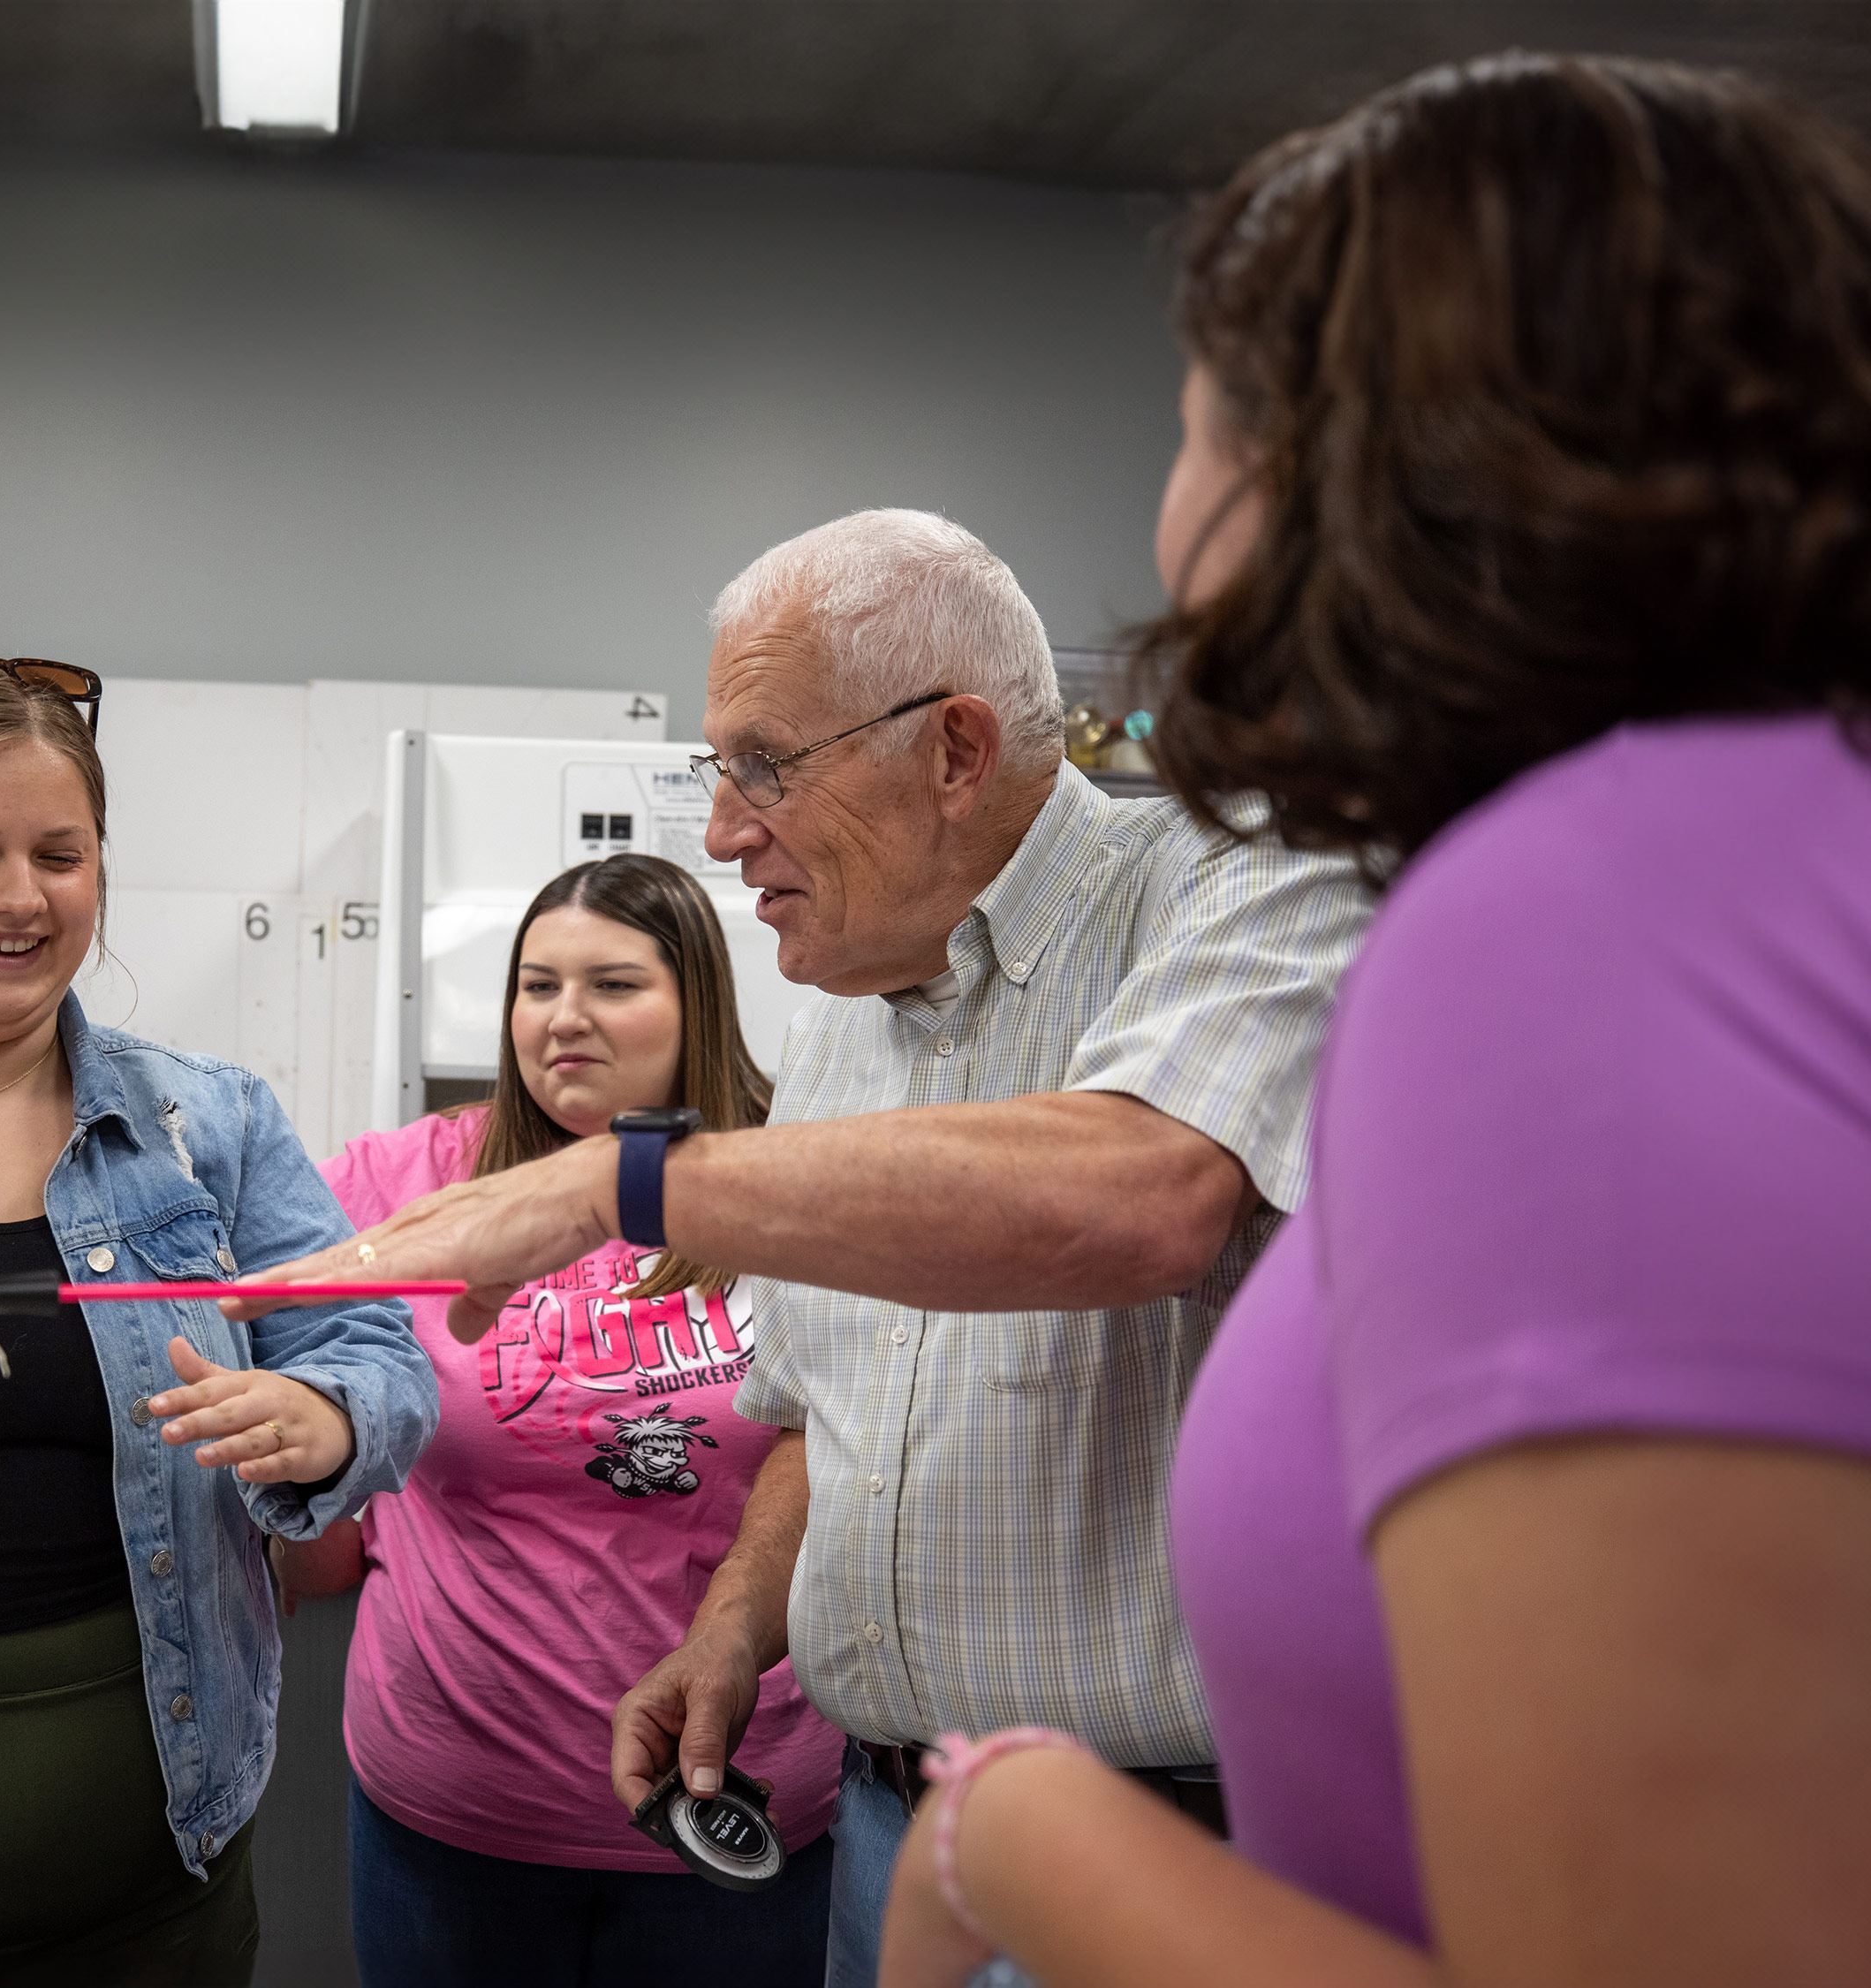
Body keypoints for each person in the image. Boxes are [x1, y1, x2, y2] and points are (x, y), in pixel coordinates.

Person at [871, 53, 1871, 1988]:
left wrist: (1020, 1833)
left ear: (1325, 474)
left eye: (1190, 426)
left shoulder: (1579, 927)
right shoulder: (1770, 856)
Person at [230, 512, 1373, 1988]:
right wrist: (733, 1628)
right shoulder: (846, 1021)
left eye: (765, 765)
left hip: (1163, 1847)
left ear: (954, 749)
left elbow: (1142, 1194)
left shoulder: (1241, 882)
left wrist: (625, 1184)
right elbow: (828, 1421)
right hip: (888, 1827)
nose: (721, 830)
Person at [0, 643, 437, 1987]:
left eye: (61, 854)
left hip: (159, 1884)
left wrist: (325, 1417)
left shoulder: (206, 1122)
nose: (18, 895)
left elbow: (375, 1352)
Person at [272, 853, 841, 1988]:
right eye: (537, 986)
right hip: (452, 1808)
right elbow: (286, 1379)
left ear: (696, 1000)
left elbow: (850, 1443)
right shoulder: (404, 1181)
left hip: (735, 1799)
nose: (563, 1018)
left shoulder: (790, 1175)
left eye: (613, 985)